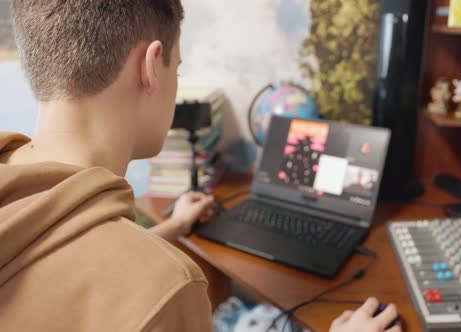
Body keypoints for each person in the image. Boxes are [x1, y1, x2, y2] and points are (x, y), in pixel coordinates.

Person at [0, 1, 402, 331]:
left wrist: (170, 229)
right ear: (150, 65)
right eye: (177, 67)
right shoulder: (168, 289)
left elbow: (65, 254)